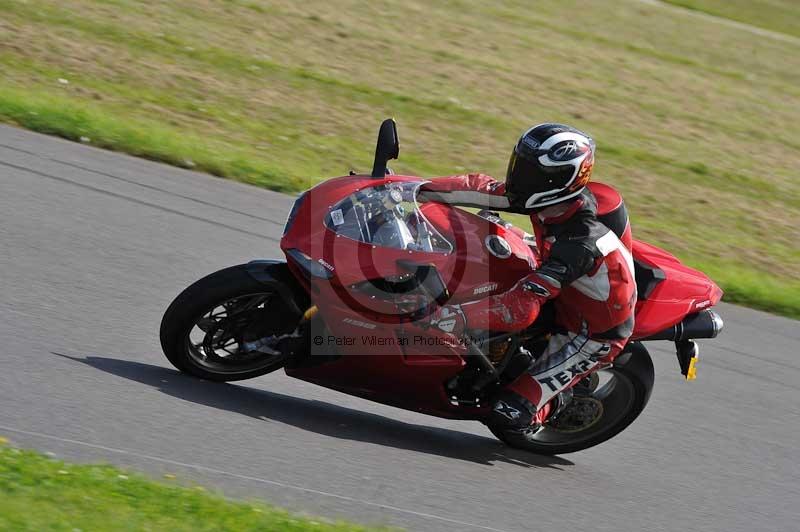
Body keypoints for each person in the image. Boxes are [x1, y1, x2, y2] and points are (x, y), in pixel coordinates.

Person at [418, 123, 637, 434]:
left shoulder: (579, 243)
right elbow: (480, 188)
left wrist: (454, 317)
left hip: (590, 333)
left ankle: (559, 401)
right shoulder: (545, 198)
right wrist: (411, 188)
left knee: (508, 415)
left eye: (531, 172)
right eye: (520, 165)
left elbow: (523, 305)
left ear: (559, 179)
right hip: (562, 287)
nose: (519, 178)